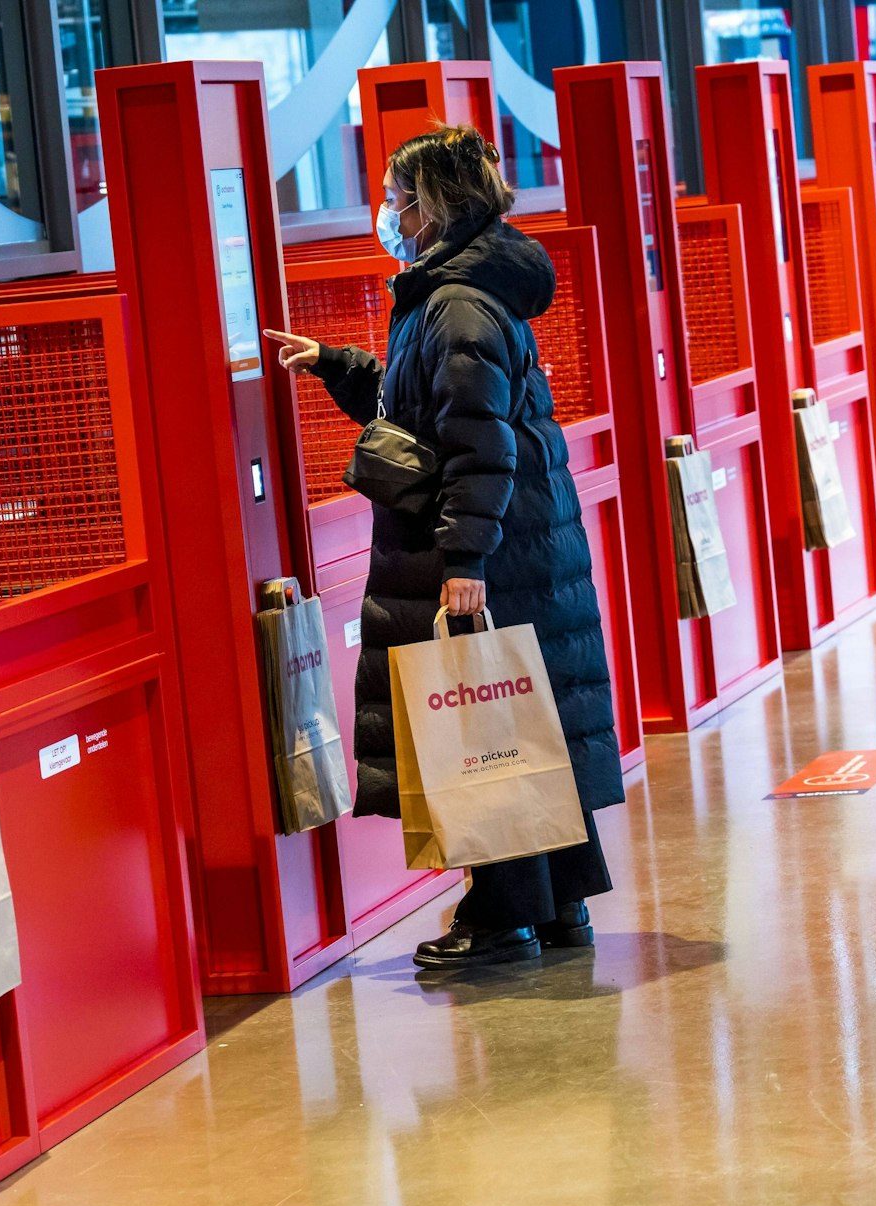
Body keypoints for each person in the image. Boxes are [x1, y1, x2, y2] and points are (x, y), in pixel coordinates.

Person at [265, 126, 624, 970]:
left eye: (396, 197)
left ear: (430, 206)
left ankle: (500, 917)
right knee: (522, 723)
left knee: (482, 731)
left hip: (481, 554)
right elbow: (424, 405)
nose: (388, 212)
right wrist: (337, 365)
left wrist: (463, 562)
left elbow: (476, 445)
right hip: (522, 546)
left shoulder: (454, 304)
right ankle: (557, 904)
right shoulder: (458, 292)